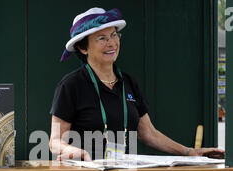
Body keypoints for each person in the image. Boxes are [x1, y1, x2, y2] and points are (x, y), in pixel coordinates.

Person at [49, 7, 225, 161]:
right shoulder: (70, 85)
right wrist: (73, 150)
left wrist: (189, 152)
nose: (111, 43)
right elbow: (54, 142)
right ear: (83, 48)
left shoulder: (128, 82)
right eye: (101, 38)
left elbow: (148, 133)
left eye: (113, 35)